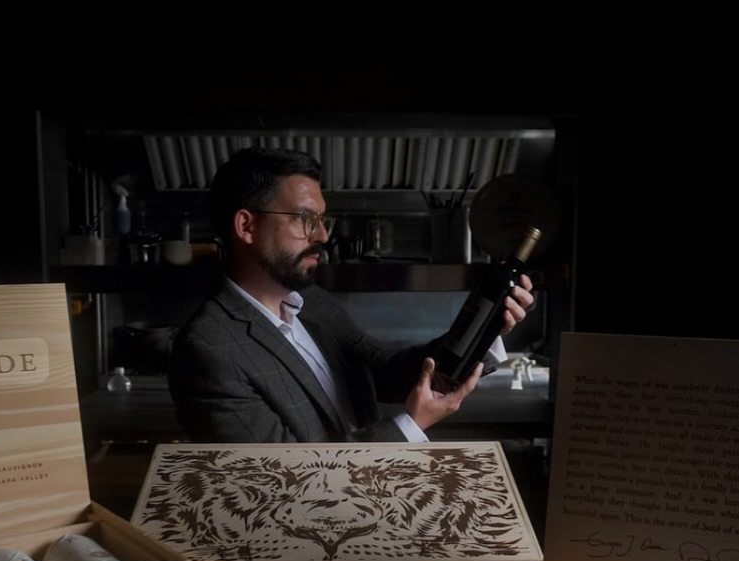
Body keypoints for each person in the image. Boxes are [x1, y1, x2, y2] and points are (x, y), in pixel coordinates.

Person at [167, 146, 534, 443]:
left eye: (322, 221)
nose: (323, 236)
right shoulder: (209, 349)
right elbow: (283, 481)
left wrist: (483, 330)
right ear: (246, 226)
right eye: (304, 219)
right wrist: (409, 425)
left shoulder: (313, 303)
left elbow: (389, 371)